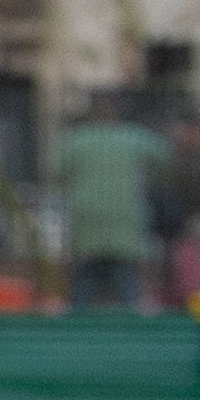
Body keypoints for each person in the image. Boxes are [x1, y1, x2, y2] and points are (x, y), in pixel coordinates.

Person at [57, 108, 167, 311]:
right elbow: (163, 157)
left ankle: (78, 329)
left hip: (87, 218)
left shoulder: (78, 139)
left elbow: (60, 171)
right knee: (125, 279)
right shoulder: (133, 136)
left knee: (84, 280)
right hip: (124, 220)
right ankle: (130, 330)